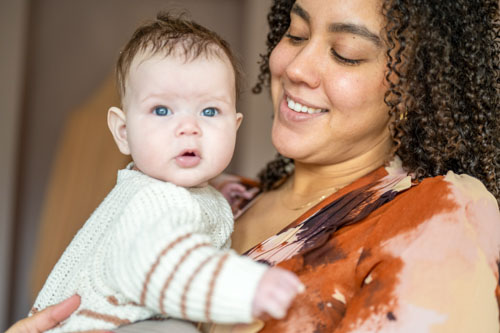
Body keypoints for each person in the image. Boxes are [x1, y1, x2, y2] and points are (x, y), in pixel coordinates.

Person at [9, 0, 499, 331]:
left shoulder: (442, 218)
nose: (296, 68)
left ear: (418, 88)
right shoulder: (210, 199)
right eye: (296, 32)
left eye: (345, 54)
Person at [28, 12, 303, 333]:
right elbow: (164, 265)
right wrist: (249, 287)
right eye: (162, 110)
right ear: (123, 132)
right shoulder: (156, 200)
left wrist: (214, 194)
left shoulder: (165, 192)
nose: (188, 127)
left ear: (235, 127)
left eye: (210, 111)